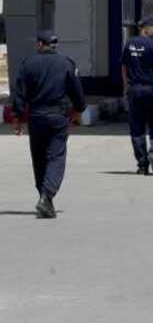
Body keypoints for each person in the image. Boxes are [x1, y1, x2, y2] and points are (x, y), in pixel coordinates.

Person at [11, 30, 86, 219]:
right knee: (56, 157)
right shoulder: (66, 63)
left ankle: (45, 199)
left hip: (36, 117)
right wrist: (78, 110)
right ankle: (47, 196)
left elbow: (19, 93)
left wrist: (18, 118)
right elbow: (76, 90)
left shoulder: (28, 64)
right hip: (57, 116)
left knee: (39, 159)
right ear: (55, 45)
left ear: (39, 44)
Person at [121, 18, 153, 175]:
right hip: (151, 90)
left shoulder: (128, 44)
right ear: (145, 28)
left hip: (134, 90)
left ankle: (142, 165)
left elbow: (124, 68)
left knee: (137, 127)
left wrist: (126, 87)